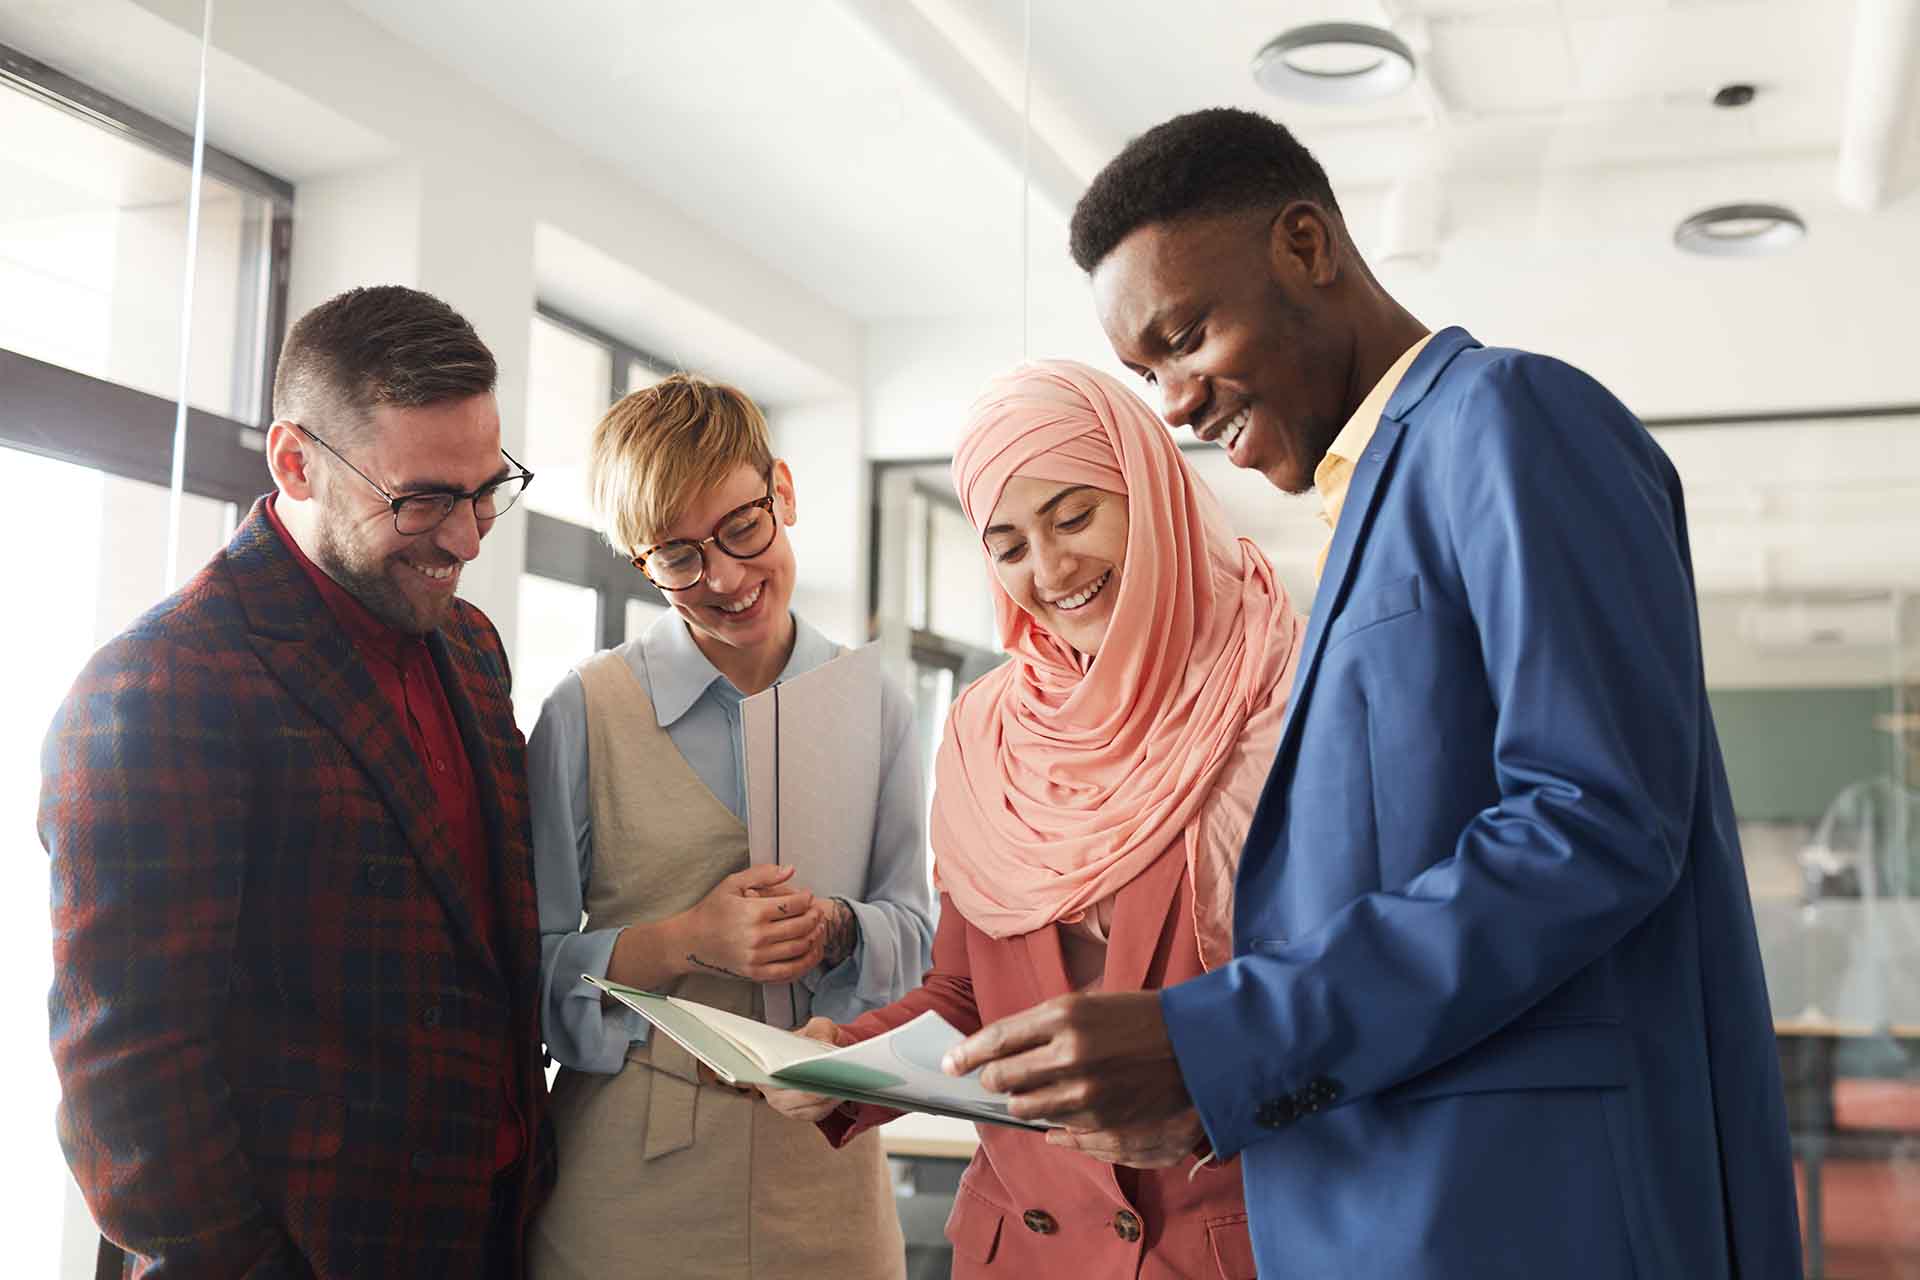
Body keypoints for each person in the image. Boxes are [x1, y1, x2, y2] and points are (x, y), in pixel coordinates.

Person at [944, 108, 1805, 1277]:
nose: (1178, 405)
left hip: (1525, 1215)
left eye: (1186, 336)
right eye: (1148, 375)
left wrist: (1222, 1039)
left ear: (1307, 246)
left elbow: (1592, 821)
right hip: (1401, 1207)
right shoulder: (1373, 502)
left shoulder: (1505, 417)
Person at [39, 285, 554, 1277]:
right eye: (423, 499)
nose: (469, 537)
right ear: (294, 461)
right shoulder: (164, 682)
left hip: (491, 1231)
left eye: (488, 487)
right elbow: (127, 1072)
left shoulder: (471, 643)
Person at [761, 359, 1302, 1278]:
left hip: (1232, 1243)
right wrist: (839, 1058)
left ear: (1152, 493)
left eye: (1076, 516)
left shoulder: (1290, 692)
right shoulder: (987, 734)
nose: (1050, 570)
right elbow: (969, 999)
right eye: (1009, 545)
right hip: (1023, 1253)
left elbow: (1350, 985)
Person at [524, 373, 932, 1280]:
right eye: (676, 557)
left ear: (781, 490)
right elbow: (522, 968)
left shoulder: (874, 707)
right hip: (629, 1184)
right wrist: (684, 941)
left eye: (743, 528)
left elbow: (920, 938)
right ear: (639, 564)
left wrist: (834, 928)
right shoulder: (588, 710)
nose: (725, 579)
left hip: (826, 1177)